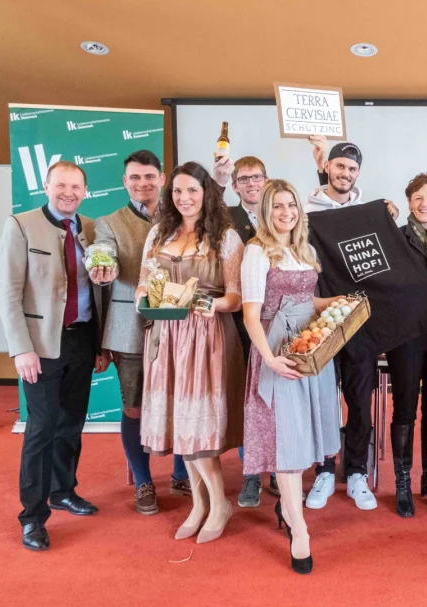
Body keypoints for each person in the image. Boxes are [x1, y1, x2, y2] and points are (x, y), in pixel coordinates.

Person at [0, 161, 108, 551]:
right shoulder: (21, 225)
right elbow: (8, 292)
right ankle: (33, 517)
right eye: (60, 185)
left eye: (76, 187)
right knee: (41, 430)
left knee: (71, 424)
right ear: (46, 186)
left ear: (85, 191)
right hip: (40, 345)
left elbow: (101, 291)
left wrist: (101, 344)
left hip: (82, 340)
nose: (68, 193)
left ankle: (63, 491)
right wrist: (21, 348)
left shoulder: (92, 228)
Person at [135, 161, 246, 544]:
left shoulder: (226, 238)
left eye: (192, 191)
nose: (184, 198)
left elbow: (236, 297)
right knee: (183, 427)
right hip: (166, 337)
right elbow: (143, 284)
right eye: (178, 191)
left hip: (207, 338)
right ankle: (199, 505)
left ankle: (219, 504)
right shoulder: (158, 234)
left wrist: (211, 304)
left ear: (206, 193)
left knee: (198, 427)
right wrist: (145, 300)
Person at [241, 179, 343, 574]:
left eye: (291, 205)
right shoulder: (257, 251)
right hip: (277, 348)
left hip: (309, 348)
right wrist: (269, 360)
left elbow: (304, 301)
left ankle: (287, 507)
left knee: (303, 435)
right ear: (266, 212)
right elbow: (251, 314)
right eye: (278, 206)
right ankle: (299, 529)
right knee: (286, 439)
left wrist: (331, 302)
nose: (286, 213)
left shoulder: (305, 249)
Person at [89, 150, 190, 516]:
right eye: (134, 177)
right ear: (124, 182)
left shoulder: (183, 215)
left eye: (149, 176)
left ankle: (181, 474)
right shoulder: (109, 222)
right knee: (133, 408)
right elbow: (102, 251)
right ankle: (143, 481)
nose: (142, 183)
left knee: (182, 402)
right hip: (128, 330)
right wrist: (101, 265)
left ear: (162, 179)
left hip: (179, 325)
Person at [302, 139, 397, 511]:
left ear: (358, 174)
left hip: (360, 324)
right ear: (327, 167)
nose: (345, 173)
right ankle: (325, 470)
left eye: (352, 169)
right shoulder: (306, 210)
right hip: (320, 321)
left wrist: (388, 218)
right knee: (324, 401)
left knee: (359, 400)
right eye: (339, 166)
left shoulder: (368, 212)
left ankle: (356, 471)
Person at [382, 173, 427, 516]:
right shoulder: (395, 237)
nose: (425, 204)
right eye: (418, 198)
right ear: (409, 201)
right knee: (405, 409)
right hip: (407, 334)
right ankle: (402, 483)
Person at [218, 154, 281, 508]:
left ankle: (279, 469)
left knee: (279, 400)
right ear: (234, 185)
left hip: (283, 322)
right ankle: (251, 473)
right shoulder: (225, 219)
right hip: (244, 321)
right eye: (244, 179)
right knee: (251, 400)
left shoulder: (283, 213)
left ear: (266, 179)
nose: (252, 183)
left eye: (257, 177)